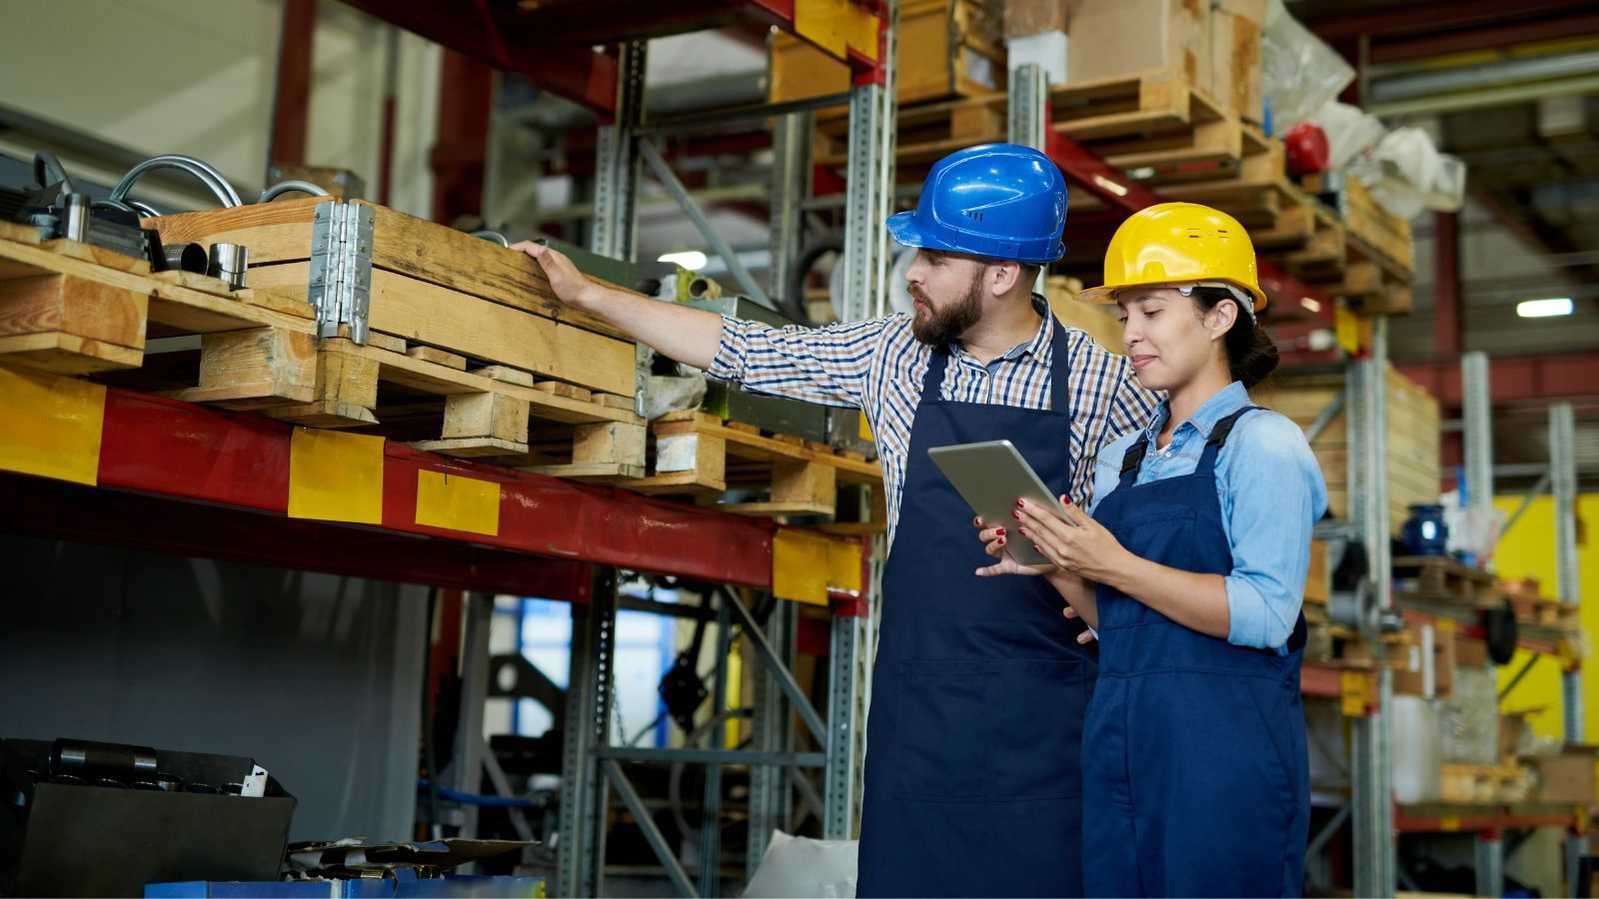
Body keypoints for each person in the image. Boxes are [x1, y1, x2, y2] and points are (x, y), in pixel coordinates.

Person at [517, 143, 1158, 897]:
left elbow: (1143, 542)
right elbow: (745, 350)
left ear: (1001, 273)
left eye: (933, 256)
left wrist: (1108, 595)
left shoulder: (1107, 386)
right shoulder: (891, 355)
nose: (911, 272)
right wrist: (589, 296)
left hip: (1047, 731)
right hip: (918, 719)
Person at [974, 202, 1327, 897]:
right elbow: (1124, 624)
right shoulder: (1123, 460)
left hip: (1224, 760)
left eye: (1152, 312)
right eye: (1125, 314)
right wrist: (1055, 565)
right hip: (1122, 748)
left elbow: (1265, 613)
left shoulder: (1263, 445)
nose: (1129, 335)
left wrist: (1113, 563)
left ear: (1220, 315)